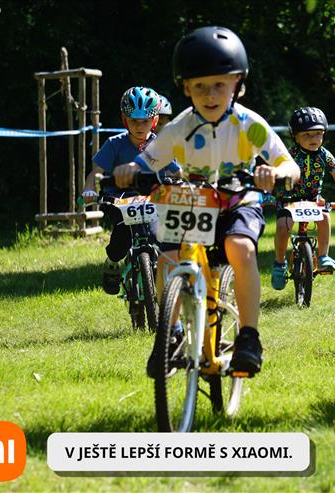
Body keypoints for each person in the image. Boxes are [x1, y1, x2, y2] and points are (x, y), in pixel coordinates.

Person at [113, 26, 300, 375]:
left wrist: (276, 173)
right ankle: (170, 335)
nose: (210, 94)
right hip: (193, 202)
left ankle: (249, 337)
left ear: (237, 84)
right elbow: (148, 160)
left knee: (240, 248)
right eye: (199, 86)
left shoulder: (249, 124)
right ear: (186, 88)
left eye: (219, 85)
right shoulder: (180, 126)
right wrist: (130, 170)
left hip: (237, 201)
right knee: (167, 260)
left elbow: (288, 163)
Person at [82, 86, 180, 295]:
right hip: (121, 201)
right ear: (125, 120)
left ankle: (160, 280)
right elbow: (95, 173)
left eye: (145, 121)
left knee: (159, 236)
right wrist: (89, 190)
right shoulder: (114, 144)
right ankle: (112, 263)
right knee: (121, 239)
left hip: (153, 200)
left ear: (154, 121)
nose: (139, 126)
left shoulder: (161, 145)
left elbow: (178, 171)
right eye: (134, 120)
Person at [270, 107, 335, 290]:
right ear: (295, 137)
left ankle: (323, 257)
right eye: (307, 134)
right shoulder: (290, 155)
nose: (313, 139)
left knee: (325, 216)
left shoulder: (324, 155)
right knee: (283, 227)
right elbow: (277, 174)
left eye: (318, 133)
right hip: (289, 199)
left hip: (313, 199)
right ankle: (279, 264)